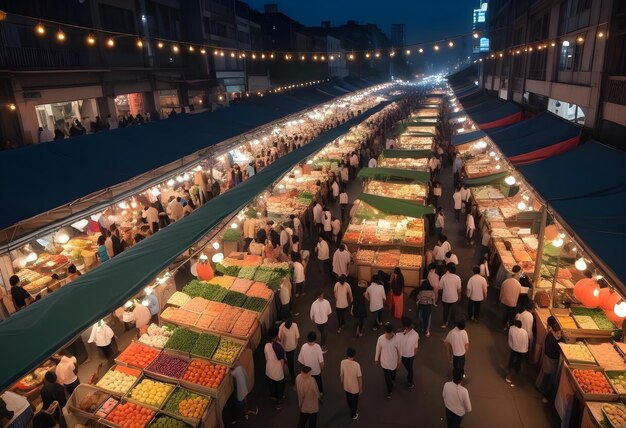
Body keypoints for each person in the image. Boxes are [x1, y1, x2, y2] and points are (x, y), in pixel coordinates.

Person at [536, 322, 562, 403]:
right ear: (557, 331)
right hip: (551, 360)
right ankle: (544, 392)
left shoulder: (550, 334)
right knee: (548, 377)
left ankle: (539, 386)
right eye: (560, 332)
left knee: (545, 373)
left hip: (548, 358)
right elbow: (555, 349)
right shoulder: (553, 339)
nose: (560, 334)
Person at [375, 323, 400, 399]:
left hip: (390, 362)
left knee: (390, 376)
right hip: (387, 362)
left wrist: (399, 361)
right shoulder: (382, 338)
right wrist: (376, 359)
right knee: (388, 378)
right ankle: (390, 389)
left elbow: (399, 351)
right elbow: (378, 349)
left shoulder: (396, 339)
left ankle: (391, 384)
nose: (389, 335)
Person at [298, 332, 325, 398]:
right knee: (318, 382)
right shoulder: (317, 347)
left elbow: (300, 360)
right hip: (316, 371)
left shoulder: (304, 346)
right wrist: (321, 367)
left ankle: (310, 393)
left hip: (307, 371)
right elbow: (321, 362)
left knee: (309, 383)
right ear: (315, 338)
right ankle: (320, 393)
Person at [264, 327, 286, 409]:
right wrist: (283, 369)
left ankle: (273, 396)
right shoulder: (278, 345)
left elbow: (266, 359)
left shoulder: (266, 345)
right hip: (278, 370)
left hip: (269, 370)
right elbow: (282, 360)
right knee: (280, 386)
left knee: (272, 384)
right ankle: (279, 401)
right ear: (275, 336)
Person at [340, 347, 362, 420]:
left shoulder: (342, 362)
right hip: (355, 387)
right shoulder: (356, 365)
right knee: (354, 401)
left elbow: (341, 374)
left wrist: (342, 381)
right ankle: (353, 414)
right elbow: (359, 377)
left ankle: (350, 407)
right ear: (354, 355)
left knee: (348, 398)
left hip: (346, 385)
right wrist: (360, 388)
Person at [505, 319, 529, 387]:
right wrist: (526, 349)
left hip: (513, 347)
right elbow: (526, 342)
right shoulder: (524, 332)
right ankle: (514, 371)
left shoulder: (512, 328)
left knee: (512, 358)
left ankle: (510, 367)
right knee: (518, 361)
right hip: (522, 350)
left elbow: (510, 337)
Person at [398, 317, 419, 388]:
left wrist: (399, 359)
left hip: (404, 355)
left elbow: (399, 347)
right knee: (410, 368)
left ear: (405, 326)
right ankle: (410, 381)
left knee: (409, 369)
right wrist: (414, 354)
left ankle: (410, 381)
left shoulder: (400, 335)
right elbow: (416, 346)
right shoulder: (416, 334)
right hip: (412, 354)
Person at [440, 264, 461, 328]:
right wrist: (459, 296)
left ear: (448, 270)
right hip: (454, 298)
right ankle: (451, 323)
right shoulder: (457, 278)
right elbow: (459, 289)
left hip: (445, 297)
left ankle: (445, 322)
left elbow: (440, 286)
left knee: (445, 310)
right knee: (453, 311)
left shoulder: (444, 277)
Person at [279, 318, 300, 384]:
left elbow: (279, 337)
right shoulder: (294, 325)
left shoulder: (282, 327)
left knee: (288, 361)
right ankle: (292, 377)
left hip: (285, 348)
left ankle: (291, 376)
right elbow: (298, 336)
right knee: (291, 362)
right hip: (293, 346)